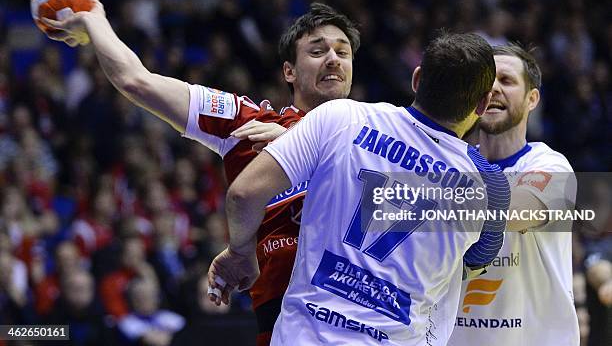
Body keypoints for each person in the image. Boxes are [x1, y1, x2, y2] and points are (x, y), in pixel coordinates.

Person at [42, 1, 360, 346]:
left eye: (342, 52)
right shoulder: (248, 123)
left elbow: (408, 210)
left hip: (368, 309)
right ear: (289, 71)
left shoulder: (380, 134)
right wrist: (95, 19)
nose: (333, 58)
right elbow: (137, 82)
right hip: (287, 320)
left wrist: (297, 143)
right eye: (317, 50)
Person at [207, 32, 511, 345]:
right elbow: (473, 263)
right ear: (483, 103)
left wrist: (240, 252)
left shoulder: (342, 116)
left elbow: (244, 193)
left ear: (417, 79)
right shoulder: (489, 185)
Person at [447, 44, 579, 345]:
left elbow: (514, 212)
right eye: (485, 82)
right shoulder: (452, 162)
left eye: (506, 81)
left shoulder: (550, 164)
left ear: (532, 99)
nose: (493, 89)